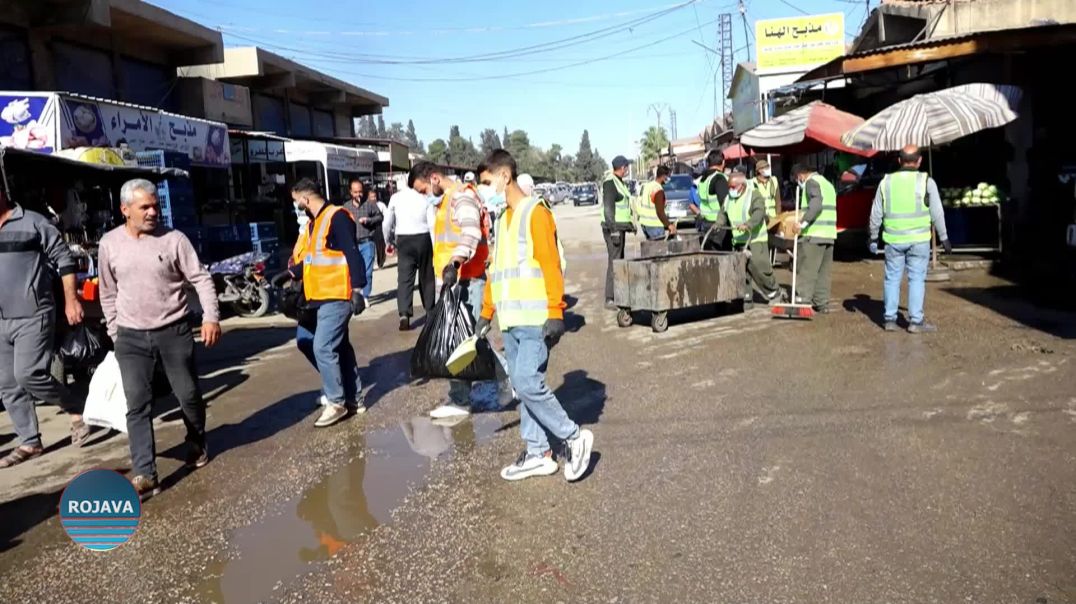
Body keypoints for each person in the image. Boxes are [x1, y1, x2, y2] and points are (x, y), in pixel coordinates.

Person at [97, 179, 221, 496]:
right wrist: (115, 332)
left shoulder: (173, 240)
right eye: (145, 207)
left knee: (188, 394)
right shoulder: (109, 244)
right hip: (130, 338)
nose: (153, 212)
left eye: (155, 206)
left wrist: (210, 316)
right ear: (125, 210)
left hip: (173, 331)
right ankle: (145, 472)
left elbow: (201, 279)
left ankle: (196, 440)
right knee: (137, 403)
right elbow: (107, 293)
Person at [477, 150, 593, 482]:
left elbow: (550, 264)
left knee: (528, 382)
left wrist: (556, 311)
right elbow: (497, 271)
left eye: (486, 182)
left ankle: (574, 437)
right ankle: (538, 453)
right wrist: (486, 312)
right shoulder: (502, 219)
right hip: (510, 320)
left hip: (535, 319)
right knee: (522, 385)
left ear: (504, 177)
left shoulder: (535, 213)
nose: (484, 190)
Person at [0, 189, 91, 468]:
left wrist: (71, 300)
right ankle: (29, 441)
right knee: (7, 384)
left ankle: (74, 406)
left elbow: (64, 258)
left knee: (28, 373)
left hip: (34, 313)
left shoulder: (33, 222)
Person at [411, 161, 506, 419]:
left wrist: (455, 262)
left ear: (434, 178)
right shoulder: (446, 202)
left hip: (468, 279)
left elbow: (471, 233)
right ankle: (461, 398)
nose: (424, 196)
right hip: (456, 281)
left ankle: (506, 381)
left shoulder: (461, 198)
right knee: (460, 340)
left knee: (468, 341)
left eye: (423, 190)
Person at [289, 178, 367, 429]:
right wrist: (291, 273)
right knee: (339, 347)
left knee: (323, 346)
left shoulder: (337, 217)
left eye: (296, 201)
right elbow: (313, 258)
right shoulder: (316, 222)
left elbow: (352, 254)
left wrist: (358, 290)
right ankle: (354, 398)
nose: (296, 206)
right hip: (319, 297)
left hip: (337, 295)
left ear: (305, 198)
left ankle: (336, 401)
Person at [869, 145, 951, 333]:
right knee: (916, 279)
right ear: (919, 160)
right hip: (919, 240)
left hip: (893, 240)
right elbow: (937, 212)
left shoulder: (886, 182)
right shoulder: (926, 181)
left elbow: (876, 213)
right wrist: (944, 237)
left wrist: (873, 237)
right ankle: (915, 322)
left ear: (899, 160)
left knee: (892, 278)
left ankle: (890, 320)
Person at [717, 167, 782, 304]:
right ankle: (746, 298)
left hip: (755, 239)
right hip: (738, 240)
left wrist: (749, 224)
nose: (731, 190)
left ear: (742, 185)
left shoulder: (754, 195)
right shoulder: (728, 198)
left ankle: (774, 292)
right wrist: (718, 223)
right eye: (729, 187)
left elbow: (759, 212)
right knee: (742, 271)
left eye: (733, 187)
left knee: (759, 268)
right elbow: (723, 212)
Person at [383, 171, 436, 330]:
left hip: (403, 239)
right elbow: (432, 223)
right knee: (427, 276)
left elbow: (387, 223)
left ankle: (404, 314)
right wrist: (435, 245)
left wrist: (388, 241)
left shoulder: (395, 198)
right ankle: (430, 311)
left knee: (405, 278)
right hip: (423, 237)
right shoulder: (424, 197)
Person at [790, 164, 838, 313]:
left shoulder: (811, 182)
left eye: (796, 179)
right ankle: (821, 303)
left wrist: (801, 224)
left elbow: (816, 206)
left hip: (813, 234)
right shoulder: (828, 184)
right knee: (823, 272)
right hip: (829, 234)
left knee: (807, 270)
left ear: (800, 175)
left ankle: (802, 301)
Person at [601, 155, 634, 308]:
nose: (628, 170)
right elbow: (608, 209)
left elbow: (623, 207)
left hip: (619, 228)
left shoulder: (619, 182)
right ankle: (610, 298)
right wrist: (614, 231)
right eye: (627, 167)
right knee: (614, 261)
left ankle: (618, 295)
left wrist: (629, 225)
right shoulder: (610, 183)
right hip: (613, 229)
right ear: (622, 168)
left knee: (618, 261)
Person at [341, 179, 381, 301]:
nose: (358, 194)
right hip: (352, 244)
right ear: (350, 192)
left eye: (360, 191)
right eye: (355, 192)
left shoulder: (369, 204)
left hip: (367, 242)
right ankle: (354, 295)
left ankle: (365, 296)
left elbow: (380, 216)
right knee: (352, 271)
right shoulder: (346, 207)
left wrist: (369, 220)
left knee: (367, 272)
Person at [690, 150, 730, 250]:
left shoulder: (703, 179)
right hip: (719, 225)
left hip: (706, 223)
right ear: (723, 162)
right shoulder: (719, 178)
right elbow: (725, 202)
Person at [638, 165, 675, 241]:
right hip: (654, 225)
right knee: (659, 247)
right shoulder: (658, 190)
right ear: (663, 176)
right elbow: (659, 211)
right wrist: (669, 225)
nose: (669, 178)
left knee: (651, 247)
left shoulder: (647, 186)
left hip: (644, 223)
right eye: (668, 176)